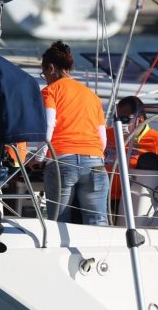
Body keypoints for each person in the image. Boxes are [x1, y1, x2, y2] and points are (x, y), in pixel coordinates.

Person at [39, 40, 109, 225]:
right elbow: (103, 141)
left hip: (62, 161)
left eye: (43, 72)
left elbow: (48, 127)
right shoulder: (92, 96)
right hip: (95, 162)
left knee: (59, 221)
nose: (44, 77)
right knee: (98, 221)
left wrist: (38, 158)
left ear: (51, 68)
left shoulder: (50, 91)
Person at [105, 95, 158, 205]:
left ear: (139, 120)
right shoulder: (107, 134)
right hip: (102, 197)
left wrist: (153, 188)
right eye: (116, 119)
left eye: (124, 119)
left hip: (134, 203)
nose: (119, 124)